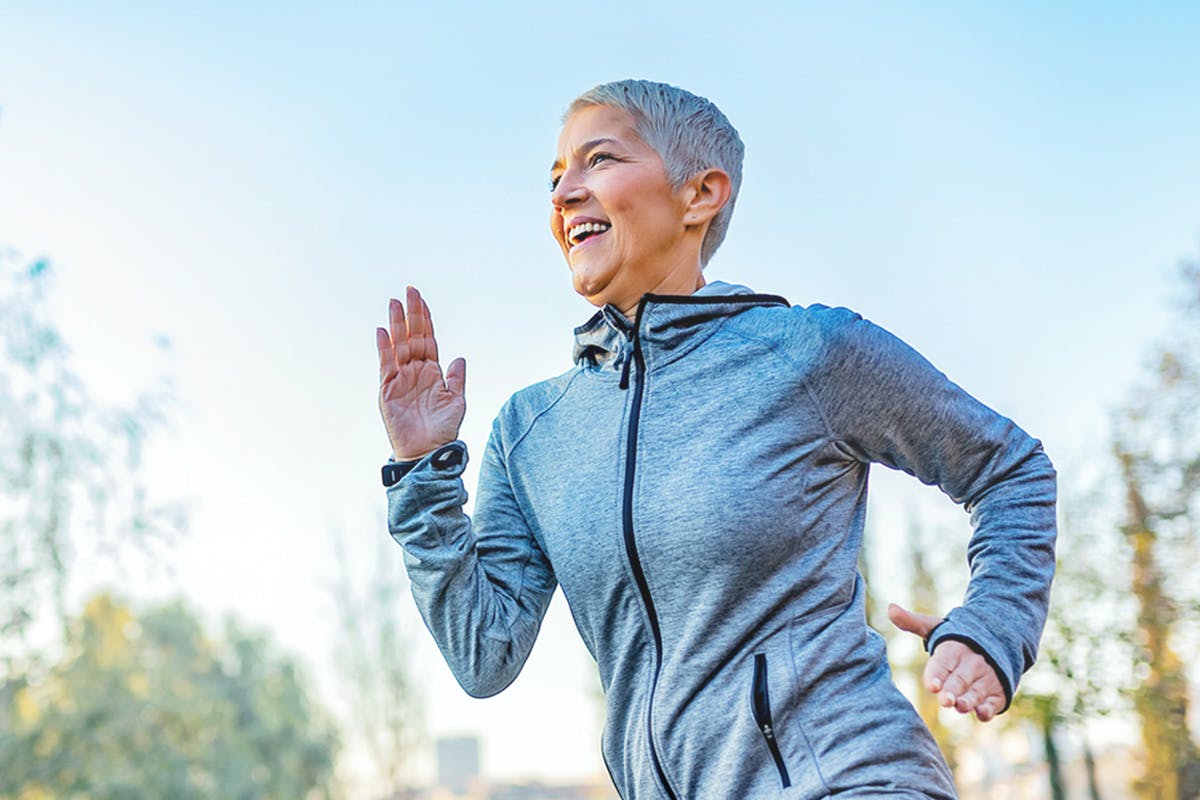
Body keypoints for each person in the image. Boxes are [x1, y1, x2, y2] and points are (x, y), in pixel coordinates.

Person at [375, 80, 1056, 799]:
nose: (564, 193)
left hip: (849, 780)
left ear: (700, 195)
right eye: (555, 177)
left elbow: (1010, 469)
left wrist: (992, 625)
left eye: (598, 161)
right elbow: (485, 654)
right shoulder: (531, 429)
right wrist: (422, 472)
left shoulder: (807, 354)